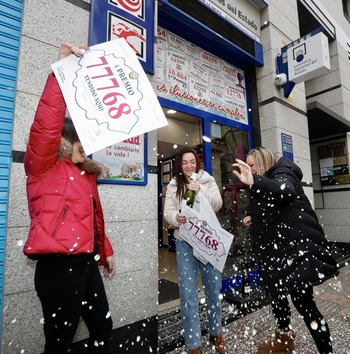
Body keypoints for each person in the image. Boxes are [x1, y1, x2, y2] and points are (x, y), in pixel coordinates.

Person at [23, 42, 116, 354]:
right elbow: (46, 124)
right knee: (59, 341)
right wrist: (59, 73)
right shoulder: (44, 166)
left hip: (86, 262)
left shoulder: (86, 175)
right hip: (58, 266)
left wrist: (106, 251)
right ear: (68, 139)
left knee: (103, 327)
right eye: (80, 139)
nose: (85, 145)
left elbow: (93, 219)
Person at [232, 147, 339, 354]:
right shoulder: (265, 179)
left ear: (263, 161)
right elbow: (277, 209)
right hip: (279, 253)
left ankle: (326, 351)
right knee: (278, 296)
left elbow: (285, 192)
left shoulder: (283, 172)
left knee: (305, 305)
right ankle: (284, 339)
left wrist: (253, 180)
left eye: (252, 165)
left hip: (296, 253)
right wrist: (254, 219)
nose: (250, 169)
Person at [163, 147, 227, 354]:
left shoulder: (207, 180)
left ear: (197, 163)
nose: (189, 166)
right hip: (184, 242)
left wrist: (202, 191)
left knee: (213, 288)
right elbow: (169, 212)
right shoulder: (174, 185)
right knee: (188, 293)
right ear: (179, 166)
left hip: (207, 241)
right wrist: (175, 219)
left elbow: (218, 204)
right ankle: (193, 344)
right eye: (184, 162)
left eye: (192, 161)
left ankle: (216, 332)